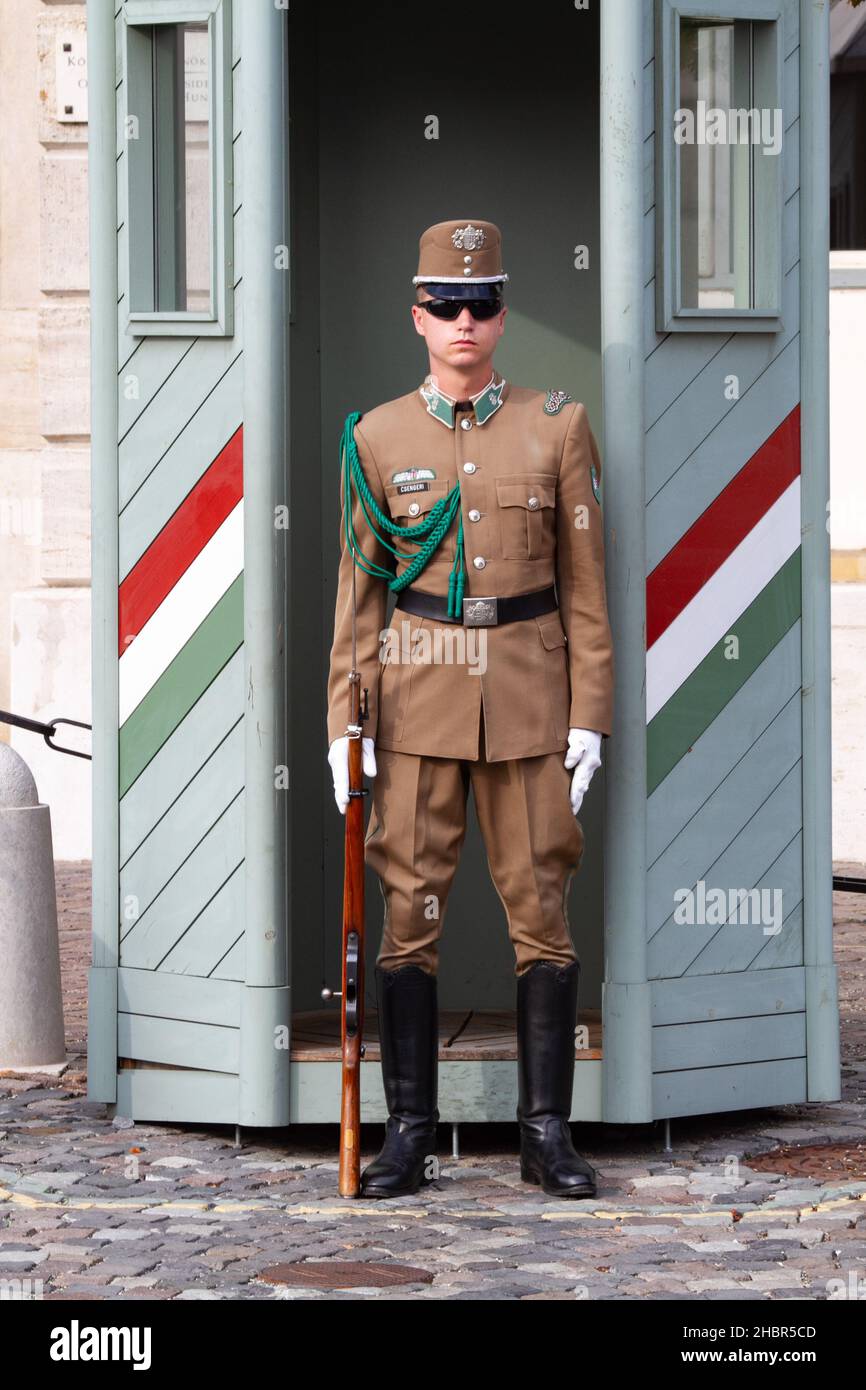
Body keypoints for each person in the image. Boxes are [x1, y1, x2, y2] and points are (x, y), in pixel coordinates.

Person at [326, 218, 614, 1199]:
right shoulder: (374, 437)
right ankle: (409, 1128)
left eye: (481, 301)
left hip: (531, 697)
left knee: (540, 906)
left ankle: (544, 1131)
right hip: (414, 701)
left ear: (500, 313)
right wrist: (342, 726)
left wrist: (591, 713)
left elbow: (586, 590)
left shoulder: (556, 425)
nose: (463, 319)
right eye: (444, 304)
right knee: (407, 915)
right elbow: (358, 597)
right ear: (416, 315)